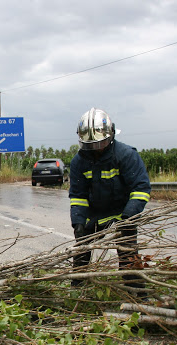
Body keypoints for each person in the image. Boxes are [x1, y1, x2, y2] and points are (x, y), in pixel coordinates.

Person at [68, 108, 151, 291]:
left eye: (99, 144)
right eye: (91, 146)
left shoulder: (126, 156)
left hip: (123, 213)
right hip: (96, 214)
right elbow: (78, 196)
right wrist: (79, 223)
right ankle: (76, 289)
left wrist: (128, 217)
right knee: (81, 250)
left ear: (110, 135)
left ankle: (136, 293)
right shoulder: (79, 162)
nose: (95, 150)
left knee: (128, 254)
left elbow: (141, 188)